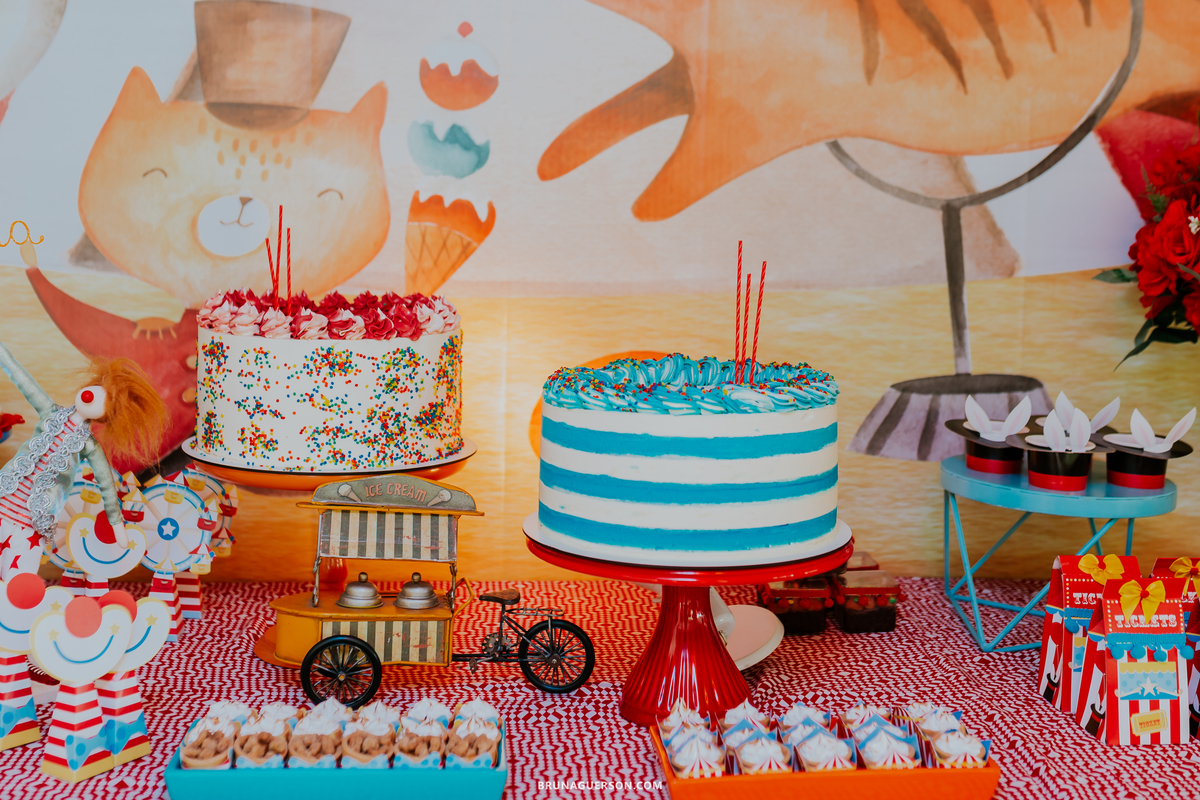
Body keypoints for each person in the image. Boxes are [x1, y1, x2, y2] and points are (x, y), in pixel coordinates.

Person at [0, 343, 166, 578]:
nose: (91, 395)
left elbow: (107, 486)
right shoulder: (51, 413)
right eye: (97, 388)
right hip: (5, 498)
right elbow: (22, 378)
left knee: (16, 577)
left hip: (31, 522)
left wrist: (116, 523)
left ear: (108, 415)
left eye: (105, 399)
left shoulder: (88, 445)